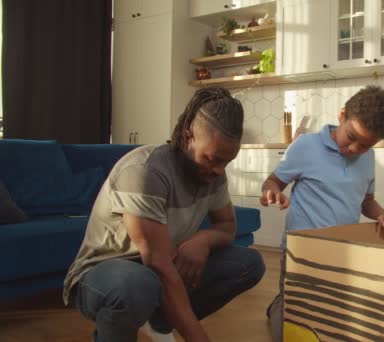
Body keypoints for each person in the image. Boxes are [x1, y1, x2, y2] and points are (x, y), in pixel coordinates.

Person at [63, 87, 265, 342]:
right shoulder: (145, 172)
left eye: (227, 162)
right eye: (212, 159)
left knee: (247, 264)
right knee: (137, 285)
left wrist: (202, 240)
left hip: (160, 264)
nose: (218, 170)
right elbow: (158, 264)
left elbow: (226, 226)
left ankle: (159, 321)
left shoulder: (214, 175)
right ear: (187, 136)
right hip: (103, 275)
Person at [259, 85, 384, 341]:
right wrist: (272, 192)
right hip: (300, 249)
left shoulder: (368, 159)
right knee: (297, 313)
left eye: (366, 145)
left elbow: (366, 202)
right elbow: (273, 181)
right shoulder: (306, 146)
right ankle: (281, 307)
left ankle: (281, 305)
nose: (354, 149)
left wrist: (382, 214)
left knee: (331, 308)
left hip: (343, 250)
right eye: (351, 137)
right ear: (342, 115)